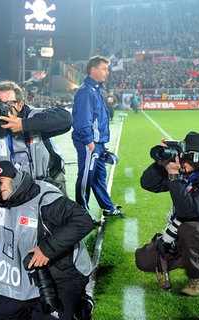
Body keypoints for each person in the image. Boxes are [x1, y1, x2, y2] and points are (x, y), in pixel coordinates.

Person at [0, 161, 94, 319]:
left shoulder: (45, 197)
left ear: (16, 178)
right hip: (31, 276)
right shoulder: (6, 203)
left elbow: (83, 221)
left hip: (64, 276)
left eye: (1, 181)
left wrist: (46, 250)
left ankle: (80, 307)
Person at [136, 132, 199, 296]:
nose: (182, 161)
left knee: (189, 229)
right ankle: (190, 257)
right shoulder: (186, 168)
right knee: (144, 260)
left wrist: (174, 176)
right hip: (183, 228)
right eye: (182, 155)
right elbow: (148, 183)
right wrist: (161, 162)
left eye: (188, 157)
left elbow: (188, 212)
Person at [0, 81, 72, 195]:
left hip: (45, 181)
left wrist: (23, 124)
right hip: (12, 187)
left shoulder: (33, 117)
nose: (4, 108)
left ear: (20, 105)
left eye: (9, 103)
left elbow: (66, 119)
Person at [72, 55, 125, 217]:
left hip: (98, 143)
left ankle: (108, 207)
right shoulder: (86, 91)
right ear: (93, 70)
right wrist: (90, 142)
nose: (107, 72)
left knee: (99, 177)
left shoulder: (95, 90)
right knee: (86, 177)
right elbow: (82, 120)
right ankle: (82, 213)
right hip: (90, 143)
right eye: (104, 68)